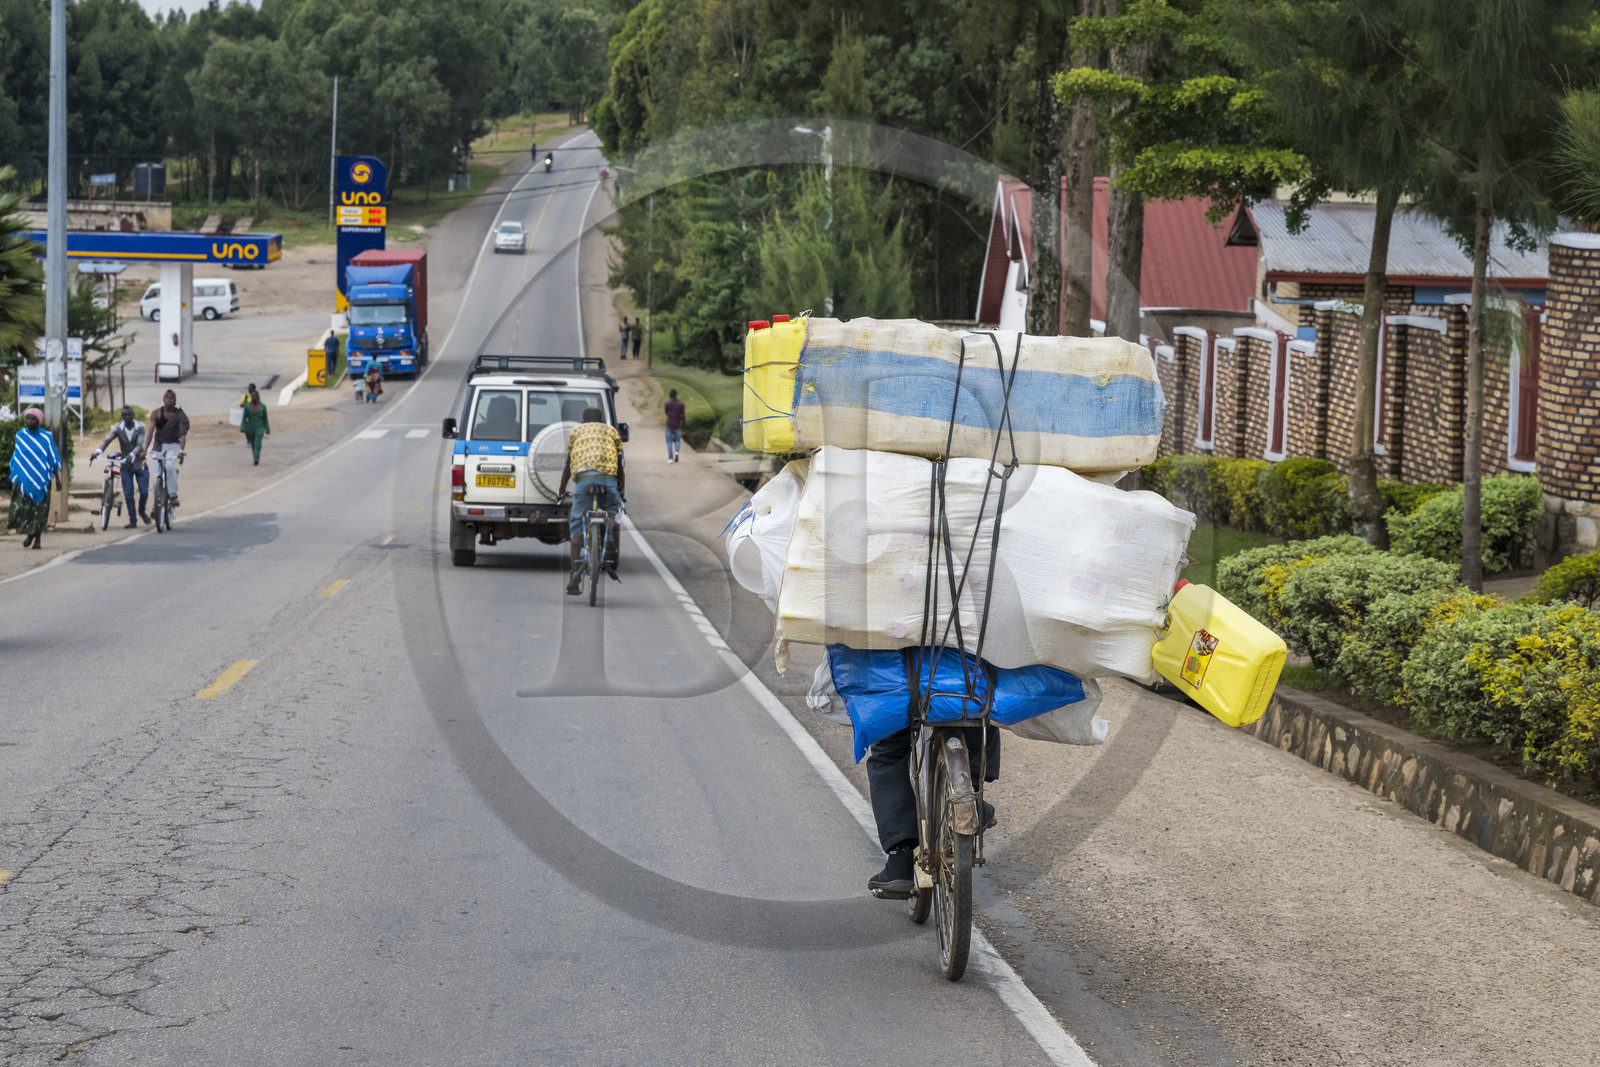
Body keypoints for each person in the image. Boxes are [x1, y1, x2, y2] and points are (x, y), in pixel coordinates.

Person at [866, 725, 1000, 898]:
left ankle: (900, 855)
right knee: (978, 712)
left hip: (907, 700)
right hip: (961, 701)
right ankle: (972, 798)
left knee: (888, 748)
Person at [556, 406, 624, 595]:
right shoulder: (611, 431)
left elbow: (569, 466)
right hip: (608, 479)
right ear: (601, 420)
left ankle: (573, 576)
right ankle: (610, 534)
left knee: (577, 522)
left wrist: (561, 491)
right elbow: (619, 466)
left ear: (583, 421)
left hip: (584, 480)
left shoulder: (576, 431)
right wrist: (620, 490)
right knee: (612, 508)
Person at [7, 408, 61, 549]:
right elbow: (17, 458)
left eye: (33, 419)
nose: (30, 421)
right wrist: (16, 476)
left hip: (42, 481)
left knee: (41, 511)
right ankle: (30, 534)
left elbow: (52, 459)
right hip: (25, 481)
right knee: (27, 511)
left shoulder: (46, 437)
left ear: (39, 421)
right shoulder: (20, 436)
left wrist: (58, 479)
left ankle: (37, 539)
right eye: (28, 418)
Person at [90, 405, 150, 527]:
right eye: (125, 415)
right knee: (128, 494)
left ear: (133, 415)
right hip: (125, 465)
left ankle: (141, 511)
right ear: (122, 417)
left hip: (139, 463)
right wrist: (98, 451)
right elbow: (107, 440)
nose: (127, 417)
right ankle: (133, 520)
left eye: (129, 414)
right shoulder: (118, 428)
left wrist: (131, 455)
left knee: (144, 492)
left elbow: (140, 445)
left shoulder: (141, 427)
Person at [147, 389, 189, 508]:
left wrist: (181, 451)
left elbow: (183, 435)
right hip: (158, 445)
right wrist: (144, 450)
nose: (169, 400)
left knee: (170, 466)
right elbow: (150, 433)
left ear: (175, 401)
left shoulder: (180, 415)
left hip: (173, 445)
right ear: (163, 399)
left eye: (171, 398)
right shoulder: (156, 414)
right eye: (167, 397)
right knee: (155, 475)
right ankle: (156, 504)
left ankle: (173, 495)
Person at [240, 387, 270, 466]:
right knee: (253, 443)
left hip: (260, 426)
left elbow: (265, 418)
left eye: (255, 396)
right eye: (252, 396)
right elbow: (244, 417)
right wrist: (242, 427)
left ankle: (256, 457)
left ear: (258, 397)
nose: (253, 398)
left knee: (258, 442)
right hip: (251, 427)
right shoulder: (247, 406)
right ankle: (255, 457)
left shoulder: (263, 407)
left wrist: (267, 428)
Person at [664, 388, 685, 463]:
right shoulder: (681, 404)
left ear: (670, 395)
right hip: (677, 425)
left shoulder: (667, 403)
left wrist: (671, 416)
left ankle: (670, 458)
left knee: (669, 441)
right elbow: (683, 415)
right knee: (677, 440)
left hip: (669, 424)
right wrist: (683, 424)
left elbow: (666, 412)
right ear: (676, 395)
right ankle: (676, 452)